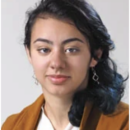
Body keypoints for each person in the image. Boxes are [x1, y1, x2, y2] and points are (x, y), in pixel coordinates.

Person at [2, 0, 129, 130]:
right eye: (44, 50)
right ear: (29, 54)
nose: (57, 64)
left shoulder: (124, 122)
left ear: (95, 55)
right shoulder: (12, 126)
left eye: (71, 49)